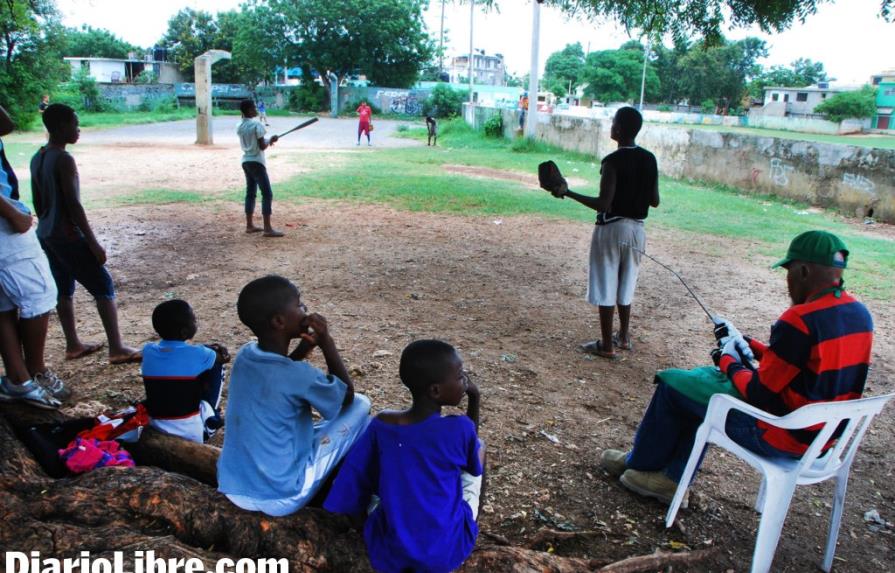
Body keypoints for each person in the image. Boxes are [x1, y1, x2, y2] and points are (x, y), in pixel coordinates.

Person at [600, 231, 873, 503]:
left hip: (781, 436)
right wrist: (746, 343)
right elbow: (801, 367)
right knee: (698, 387)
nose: (787, 281)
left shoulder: (799, 319)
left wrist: (727, 361)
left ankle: (647, 467)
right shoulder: (860, 315)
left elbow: (758, 393)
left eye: (788, 271)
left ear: (803, 271)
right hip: (821, 443)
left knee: (676, 387)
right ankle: (670, 475)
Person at [217, 275, 371, 516]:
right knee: (362, 406)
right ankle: (353, 495)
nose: (305, 310)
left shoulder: (246, 355)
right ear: (279, 321)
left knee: (314, 424)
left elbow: (277, 374)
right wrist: (326, 343)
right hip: (281, 495)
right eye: (299, 305)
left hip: (233, 486)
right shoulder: (299, 375)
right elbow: (346, 397)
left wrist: (303, 349)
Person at [324, 340, 483, 573]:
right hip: (444, 552)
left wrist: (360, 523)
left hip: (392, 550)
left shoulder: (382, 423)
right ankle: (470, 525)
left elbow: (355, 475)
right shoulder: (460, 428)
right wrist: (475, 397)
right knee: (480, 449)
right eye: (460, 376)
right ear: (435, 390)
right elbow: (472, 461)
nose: (465, 381)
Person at [30, 103, 142, 365]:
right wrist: (93, 242)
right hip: (67, 235)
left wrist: (48, 225)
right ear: (60, 127)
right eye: (74, 124)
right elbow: (74, 205)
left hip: (45, 233)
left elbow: (38, 202)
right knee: (103, 285)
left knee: (64, 288)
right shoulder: (64, 159)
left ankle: (73, 344)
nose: (78, 129)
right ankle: (116, 347)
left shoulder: (39, 156)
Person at [545, 106, 659, 359]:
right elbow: (655, 201)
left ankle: (606, 345)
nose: (611, 126)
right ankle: (624, 337)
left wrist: (567, 192)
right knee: (626, 283)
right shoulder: (649, 159)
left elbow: (603, 204)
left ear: (618, 129)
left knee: (607, 284)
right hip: (637, 231)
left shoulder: (612, 161)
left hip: (611, 229)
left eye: (613, 122)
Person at [0, 106, 68, 409]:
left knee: (4, 304)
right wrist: (10, 212)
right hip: (5, 223)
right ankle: (35, 371)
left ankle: (18, 379)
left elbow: (5, 124)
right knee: (39, 295)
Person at [141, 299, 229, 443]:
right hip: (192, 433)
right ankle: (211, 419)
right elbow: (223, 358)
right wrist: (217, 350)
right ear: (184, 332)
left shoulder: (148, 350)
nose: (196, 322)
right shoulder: (200, 353)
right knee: (216, 367)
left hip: (155, 425)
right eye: (194, 320)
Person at [237, 99, 282, 237]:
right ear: (249, 110)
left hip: (246, 161)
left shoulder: (239, 125)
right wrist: (270, 140)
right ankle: (267, 228)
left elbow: (257, 142)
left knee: (251, 193)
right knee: (267, 194)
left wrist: (268, 140)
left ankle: (249, 225)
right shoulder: (257, 124)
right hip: (257, 162)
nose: (256, 110)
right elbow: (262, 146)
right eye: (254, 108)